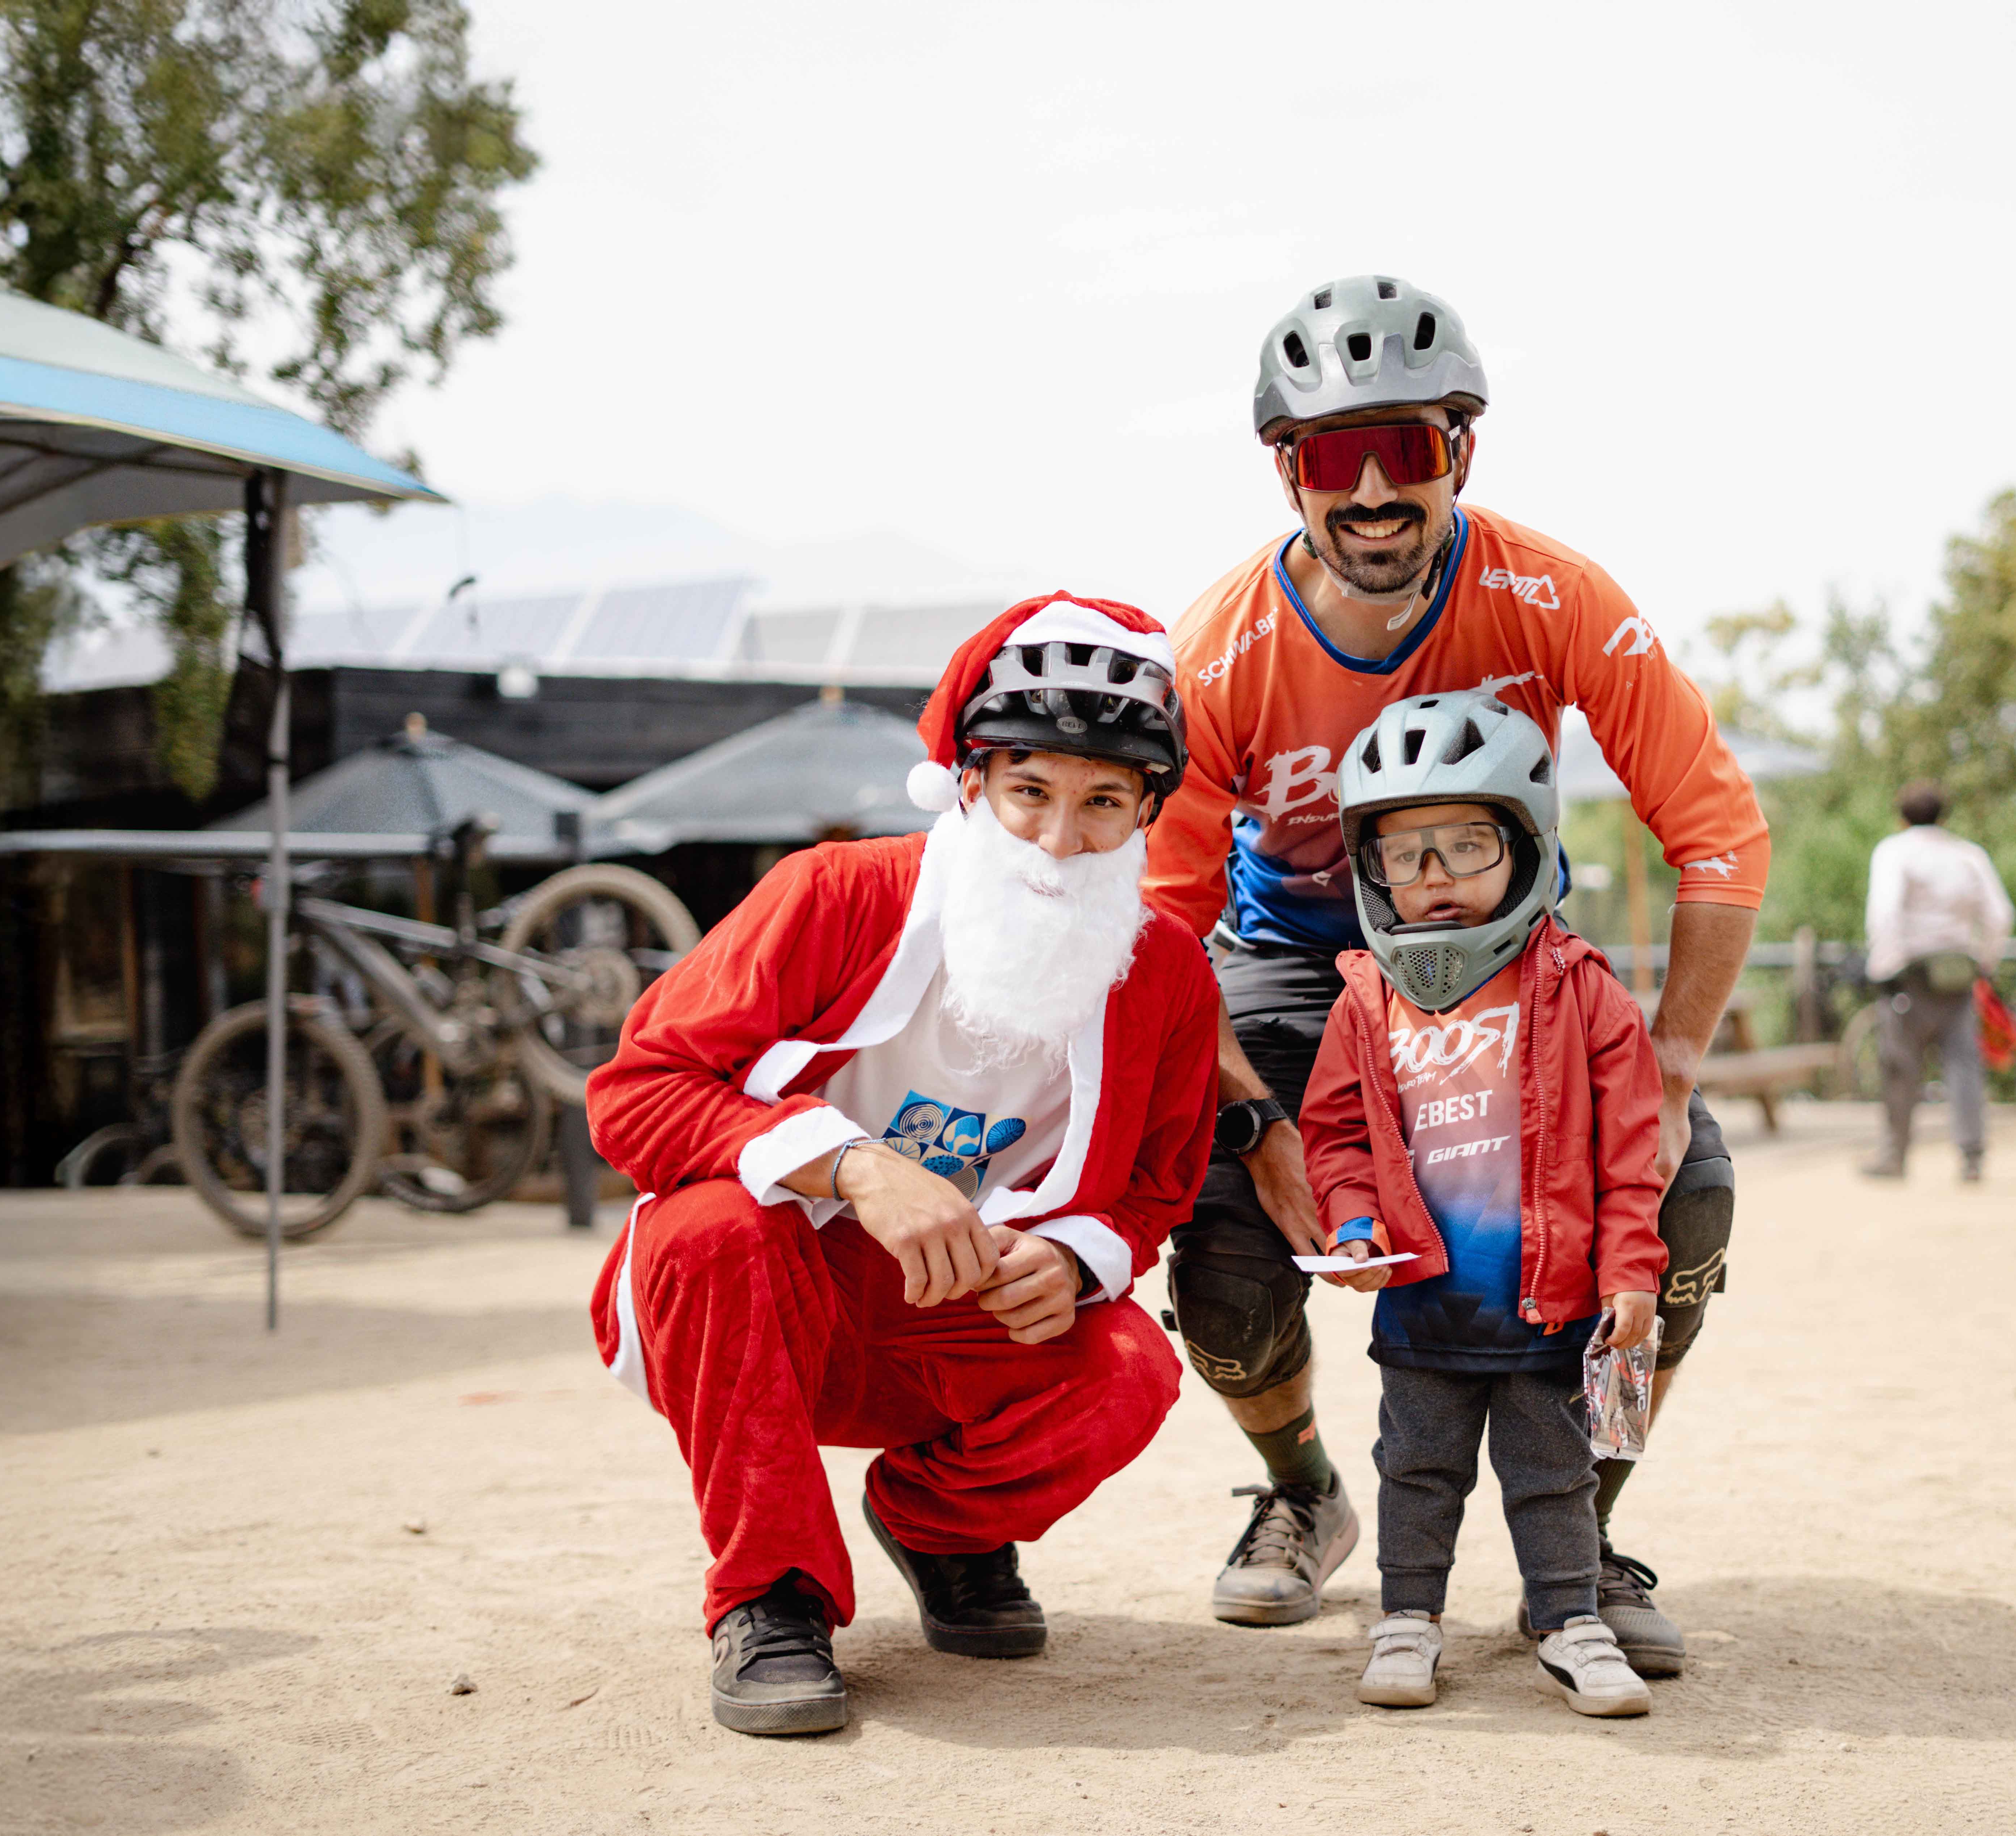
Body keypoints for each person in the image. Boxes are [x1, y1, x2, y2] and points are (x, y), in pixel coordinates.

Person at [1144, 275, 1771, 1674]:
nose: (1371, 490)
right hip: (1295, 964)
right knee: (1224, 1224)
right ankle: (1301, 1486)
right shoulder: (1216, 651)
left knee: (1685, 1189)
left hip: (1511, 961)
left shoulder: (1554, 593)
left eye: (1405, 448)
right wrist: (1258, 1122)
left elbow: (1720, 835)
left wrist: (1669, 1069)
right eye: (1332, 456)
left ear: (1461, 452)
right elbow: (1158, 930)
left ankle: (1583, 1533)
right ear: (1286, 471)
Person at [584, 593, 1221, 1736]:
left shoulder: (1167, 968)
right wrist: (857, 1168)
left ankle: (943, 1529)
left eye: (1102, 804)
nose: (1058, 842)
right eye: (1030, 792)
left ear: (1147, 813)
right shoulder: (833, 892)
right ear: (969, 783)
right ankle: (772, 1595)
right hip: (778, 1298)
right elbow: (639, 1090)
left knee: (1130, 1367)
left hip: (961, 1316)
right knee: (710, 1230)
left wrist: (1078, 1260)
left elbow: (1157, 1182)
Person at [1301, 692, 1668, 1718]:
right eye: (1403, 853)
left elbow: (1632, 1151)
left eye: (1467, 845)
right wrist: (1353, 1226)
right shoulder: (1364, 999)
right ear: (1369, 865)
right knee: (1415, 1470)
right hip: (1423, 1307)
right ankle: (1407, 1618)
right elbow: (1335, 1137)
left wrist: (1631, 1269)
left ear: (1528, 843)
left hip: (1550, 1308)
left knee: (1555, 1473)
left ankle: (1570, 1619)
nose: (1433, 875)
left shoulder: (1584, 990)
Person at [1859, 781, 2016, 1182]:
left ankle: (1895, 1155)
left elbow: (1885, 914)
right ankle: (1972, 1156)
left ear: (1901, 817)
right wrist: (1984, 962)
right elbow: (2000, 916)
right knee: (1965, 1066)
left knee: (1900, 1067)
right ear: (1944, 817)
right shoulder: (1969, 856)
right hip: (1959, 977)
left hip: (1909, 976)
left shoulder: (1894, 851)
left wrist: (1884, 969)